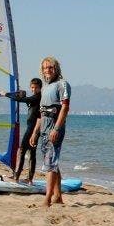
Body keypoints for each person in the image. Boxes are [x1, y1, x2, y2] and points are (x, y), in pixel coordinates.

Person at [31, 57, 70, 207]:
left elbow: (65, 108)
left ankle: (47, 198)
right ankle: (58, 196)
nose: (48, 70)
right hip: (44, 128)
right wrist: (35, 132)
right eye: (45, 68)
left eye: (50, 67)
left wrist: (57, 128)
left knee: (50, 162)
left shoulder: (62, 84)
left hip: (55, 128)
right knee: (52, 162)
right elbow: (41, 113)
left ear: (56, 68)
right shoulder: (45, 87)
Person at [1, 78, 42, 184]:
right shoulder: (34, 97)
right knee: (31, 153)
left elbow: (23, 100)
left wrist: (6, 94)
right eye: (32, 88)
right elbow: (27, 100)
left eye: (36, 88)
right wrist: (21, 95)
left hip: (33, 129)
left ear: (40, 88)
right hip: (33, 128)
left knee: (22, 151)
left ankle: (16, 177)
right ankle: (30, 179)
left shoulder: (38, 97)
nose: (34, 90)